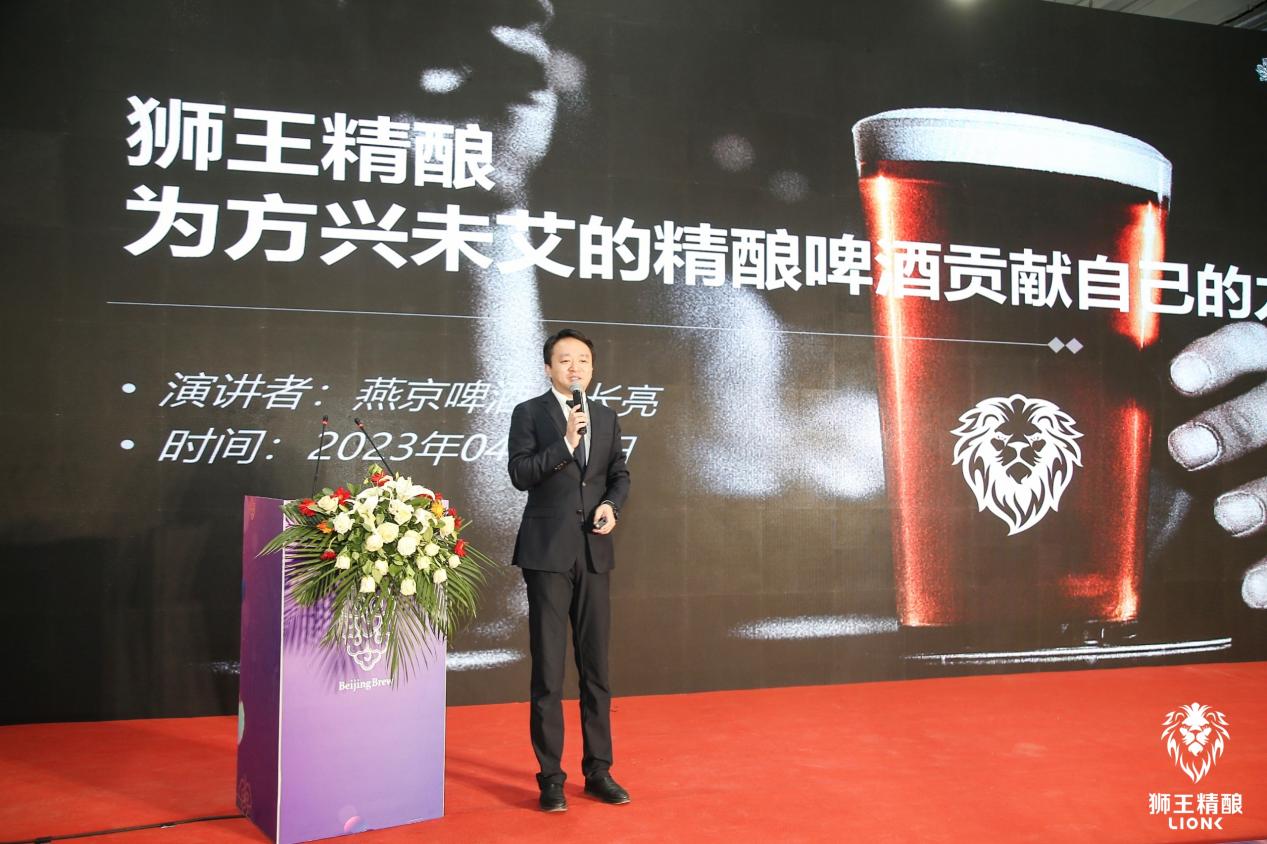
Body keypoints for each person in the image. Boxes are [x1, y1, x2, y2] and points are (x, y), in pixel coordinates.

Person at [507, 328, 632, 812]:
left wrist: (611, 506)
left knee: (596, 668)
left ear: (592, 368)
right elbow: (520, 474)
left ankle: (599, 771)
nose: (575, 367)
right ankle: (551, 778)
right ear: (548, 368)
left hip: (594, 552)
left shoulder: (606, 416)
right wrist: (564, 441)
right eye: (564, 360)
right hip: (547, 554)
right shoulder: (530, 413)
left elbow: (618, 474)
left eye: (582, 359)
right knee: (549, 670)